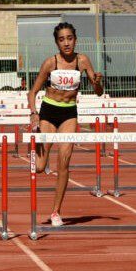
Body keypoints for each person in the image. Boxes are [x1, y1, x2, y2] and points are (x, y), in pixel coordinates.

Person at [27, 22, 104, 226]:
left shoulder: (83, 61)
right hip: (49, 112)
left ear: (75, 39)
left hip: (69, 113)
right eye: (62, 40)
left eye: (69, 38)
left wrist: (97, 82)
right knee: (40, 167)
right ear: (56, 43)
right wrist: (34, 114)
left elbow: (98, 92)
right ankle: (34, 145)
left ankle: (55, 212)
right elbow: (32, 92)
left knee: (64, 162)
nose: (66, 43)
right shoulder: (50, 63)